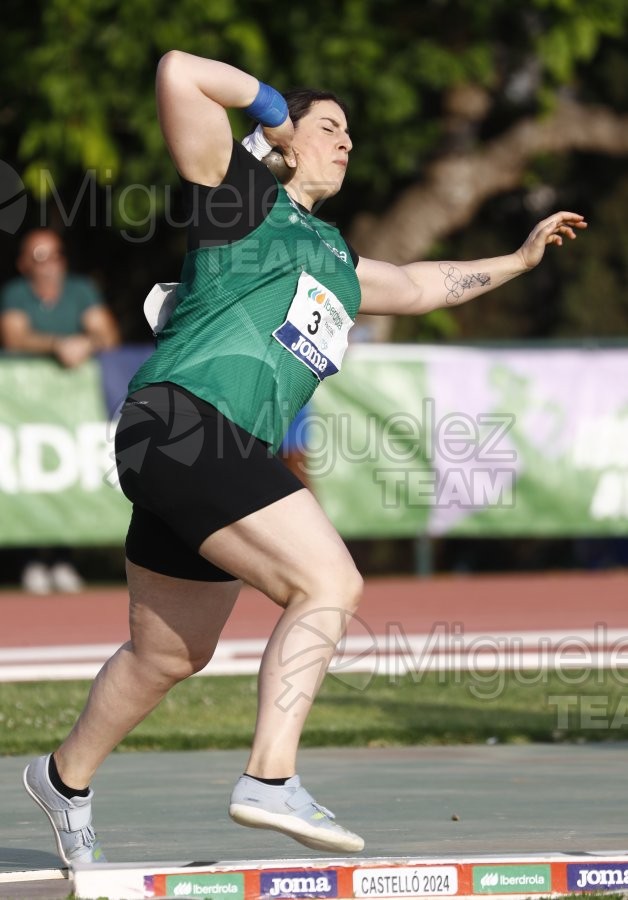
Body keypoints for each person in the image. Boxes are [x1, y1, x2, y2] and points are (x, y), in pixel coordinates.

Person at [22, 50, 586, 865]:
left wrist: (520, 258)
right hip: (183, 422)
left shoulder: (336, 259)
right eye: (332, 127)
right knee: (331, 582)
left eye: (351, 133)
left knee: (169, 653)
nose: (347, 141)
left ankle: (62, 779)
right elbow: (180, 71)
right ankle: (271, 777)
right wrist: (277, 107)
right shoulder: (239, 197)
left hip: (210, 448)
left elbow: (426, 284)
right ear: (286, 143)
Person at [0, 228, 120, 594]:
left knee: (71, 480)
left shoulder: (80, 290)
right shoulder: (16, 294)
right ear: (24, 264)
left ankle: (64, 559)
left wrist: (84, 343)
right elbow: (13, 337)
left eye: (56, 255)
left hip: (72, 411)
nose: (50, 265)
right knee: (31, 475)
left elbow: (108, 335)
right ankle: (33, 560)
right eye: (40, 257)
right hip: (25, 410)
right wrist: (56, 344)